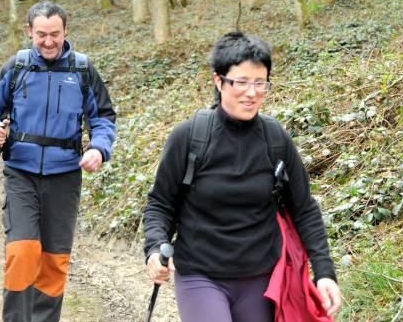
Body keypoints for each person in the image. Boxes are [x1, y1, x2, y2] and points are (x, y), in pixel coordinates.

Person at [143, 32, 341, 322]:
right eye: (242, 82)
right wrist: (154, 247)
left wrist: (324, 272)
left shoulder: (275, 139)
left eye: (260, 82)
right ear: (219, 81)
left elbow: (304, 207)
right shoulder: (189, 138)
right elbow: (160, 203)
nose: (252, 92)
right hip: (200, 274)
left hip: (261, 279)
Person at [0, 1, 116, 322]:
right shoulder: (17, 67)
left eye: (55, 34)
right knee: (22, 253)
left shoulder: (82, 70)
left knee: (54, 262)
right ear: (29, 31)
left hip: (65, 177)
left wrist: (99, 148)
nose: (49, 42)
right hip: (21, 174)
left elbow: (103, 118)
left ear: (66, 31)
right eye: (42, 34)